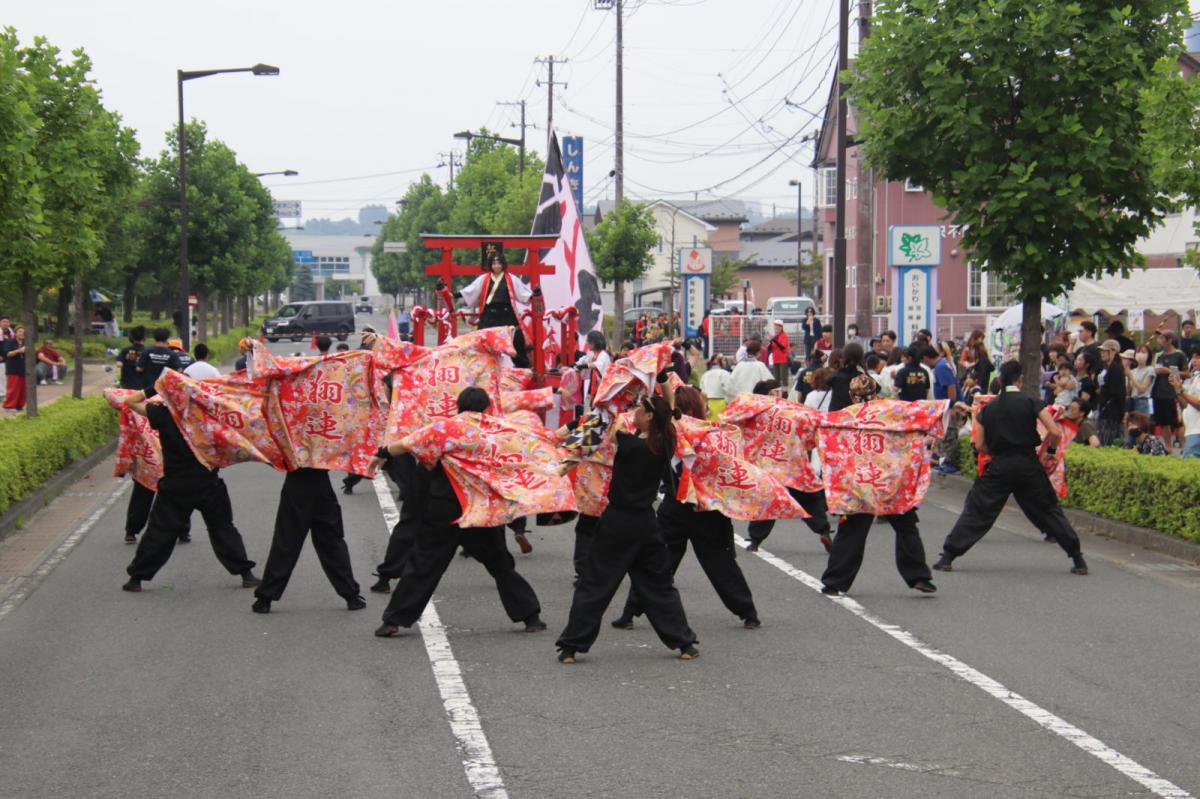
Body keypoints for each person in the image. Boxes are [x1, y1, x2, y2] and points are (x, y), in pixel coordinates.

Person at [371, 388, 546, 637]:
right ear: (486, 408)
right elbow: (528, 449)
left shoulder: (445, 428)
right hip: (479, 508)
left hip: (444, 505)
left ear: (458, 406)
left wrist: (382, 453)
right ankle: (531, 617)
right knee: (500, 564)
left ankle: (393, 620)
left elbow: (408, 443)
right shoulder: (497, 430)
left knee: (424, 564)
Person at [556, 380, 699, 663]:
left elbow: (602, 427)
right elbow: (668, 411)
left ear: (649, 416)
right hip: (646, 523)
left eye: (639, 410)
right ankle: (685, 644)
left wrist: (610, 402)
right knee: (659, 585)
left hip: (617, 522)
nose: (634, 413)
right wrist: (661, 379)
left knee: (595, 583)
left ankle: (571, 646)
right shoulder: (667, 441)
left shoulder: (626, 441)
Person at [612, 386, 761, 629]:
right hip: (703, 508)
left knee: (658, 562)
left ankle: (630, 614)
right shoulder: (710, 435)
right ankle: (748, 613)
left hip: (681, 507)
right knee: (719, 564)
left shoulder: (670, 435)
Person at [932, 361, 1089, 576]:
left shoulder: (988, 408)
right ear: (1020, 380)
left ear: (999, 381)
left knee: (978, 511)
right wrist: (1050, 453)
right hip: (1028, 464)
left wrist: (996, 453)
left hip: (1000, 465)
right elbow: (1054, 431)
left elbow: (979, 444)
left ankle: (947, 557)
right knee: (1048, 509)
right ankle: (1078, 559)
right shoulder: (1031, 402)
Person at [120, 386, 260, 592]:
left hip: (175, 485)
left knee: (160, 532)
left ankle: (136, 579)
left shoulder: (165, 413)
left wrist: (153, 388)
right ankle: (246, 575)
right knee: (222, 528)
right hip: (208, 482)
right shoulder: (208, 414)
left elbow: (130, 401)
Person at [819, 375, 938, 596]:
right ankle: (919, 576)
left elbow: (819, 430)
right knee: (906, 526)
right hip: (891, 481)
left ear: (851, 395)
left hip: (859, 484)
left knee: (851, 531)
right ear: (876, 392)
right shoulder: (893, 411)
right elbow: (929, 414)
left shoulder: (842, 418)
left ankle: (834, 582)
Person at [252, 455, 367, 612]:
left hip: (295, 484)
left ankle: (265, 598)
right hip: (322, 485)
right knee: (331, 542)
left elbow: (272, 456)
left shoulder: (287, 438)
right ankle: (351, 596)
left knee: (286, 541)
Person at [744, 383, 835, 554]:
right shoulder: (792, 411)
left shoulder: (754, 413)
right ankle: (823, 530)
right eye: (777, 391)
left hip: (767, 464)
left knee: (767, 503)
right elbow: (810, 433)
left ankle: (755, 540)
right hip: (793, 463)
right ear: (770, 393)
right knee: (808, 500)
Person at [452, 249, 539, 367]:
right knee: (482, 342)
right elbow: (471, 290)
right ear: (490, 265)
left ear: (503, 264)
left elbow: (522, 293)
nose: (496, 266)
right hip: (489, 315)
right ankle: (481, 368)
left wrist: (534, 295)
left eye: (499, 263)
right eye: (494, 263)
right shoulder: (484, 278)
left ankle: (523, 367)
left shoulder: (511, 278)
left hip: (507, 314)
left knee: (516, 341)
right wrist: (455, 295)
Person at [1152, 330, 1187, 450]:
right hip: (1158, 392)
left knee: (1178, 422)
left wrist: (1168, 371)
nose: (1159, 341)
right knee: (1163, 423)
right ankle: (1168, 448)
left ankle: (1184, 448)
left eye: (1162, 338)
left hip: (1173, 393)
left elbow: (1186, 373)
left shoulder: (1179, 355)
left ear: (1170, 340)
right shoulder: (1158, 355)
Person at [1171, 349, 1200, 458]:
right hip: (1192, 429)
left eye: (1198, 357)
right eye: (1193, 357)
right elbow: (1187, 405)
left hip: (1197, 431)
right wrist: (1178, 389)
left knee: (1188, 461)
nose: (1194, 360)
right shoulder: (1196, 378)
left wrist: (1182, 391)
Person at [1096, 339, 1125, 446]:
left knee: (1107, 441)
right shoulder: (1108, 368)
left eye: (1105, 351)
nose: (1102, 354)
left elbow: (1117, 393)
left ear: (1113, 352)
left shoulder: (1116, 368)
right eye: (1102, 351)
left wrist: (1106, 406)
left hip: (1111, 412)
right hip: (1106, 410)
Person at [826, 342, 868, 411]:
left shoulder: (836, 376)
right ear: (860, 358)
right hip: (855, 413)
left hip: (836, 414)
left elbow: (827, 381)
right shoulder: (863, 378)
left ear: (844, 357)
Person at [3, 325, 28, 411]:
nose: (22, 333)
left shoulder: (26, 343)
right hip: (13, 369)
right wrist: (19, 350)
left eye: (23, 332)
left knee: (22, 389)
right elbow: (7, 354)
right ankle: (9, 406)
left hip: (23, 368)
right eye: (20, 331)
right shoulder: (10, 342)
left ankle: (19, 406)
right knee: (13, 389)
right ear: (15, 333)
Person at [116, 326, 146, 390]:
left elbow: (119, 364)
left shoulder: (125, 350)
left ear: (132, 337)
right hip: (142, 384)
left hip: (126, 383)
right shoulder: (147, 351)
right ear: (144, 338)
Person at [1127, 346, 1153, 415]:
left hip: (1142, 401)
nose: (1140, 354)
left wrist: (1131, 376)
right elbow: (1129, 391)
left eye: (1143, 352)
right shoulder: (1133, 371)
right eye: (1138, 352)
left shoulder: (1149, 370)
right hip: (1132, 401)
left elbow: (1142, 389)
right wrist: (1128, 377)